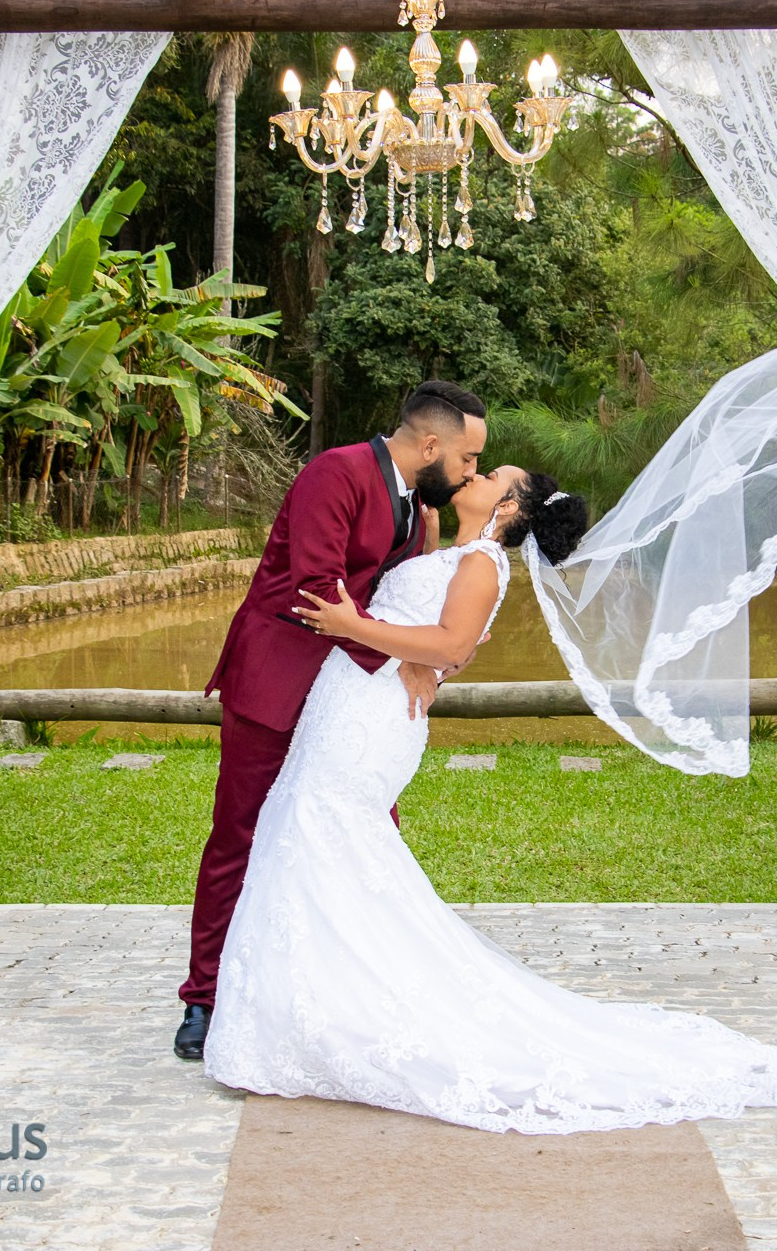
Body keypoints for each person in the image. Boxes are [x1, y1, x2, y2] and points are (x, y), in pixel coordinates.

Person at [200, 465, 777, 1133]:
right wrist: (409, 647)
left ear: (510, 505)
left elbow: (451, 643)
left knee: (324, 833)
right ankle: (309, 1011)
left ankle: (336, 1013)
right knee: (305, 836)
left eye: (492, 474)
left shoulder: (485, 564)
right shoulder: (442, 545)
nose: (477, 473)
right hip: (347, 703)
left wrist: (360, 626)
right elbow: (435, 638)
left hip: (370, 719)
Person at [174, 380, 488, 1062]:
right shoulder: (336, 473)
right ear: (430, 444)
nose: (469, 474)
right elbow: (318, 590)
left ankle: (347, 993)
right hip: (277, 683)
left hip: (346, 697)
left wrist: (427, 652)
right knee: (241, 834)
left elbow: (397, 598)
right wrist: (400, 658)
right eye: (466, 460)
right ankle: (205, 997)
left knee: (366, 834)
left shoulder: (416, 509)